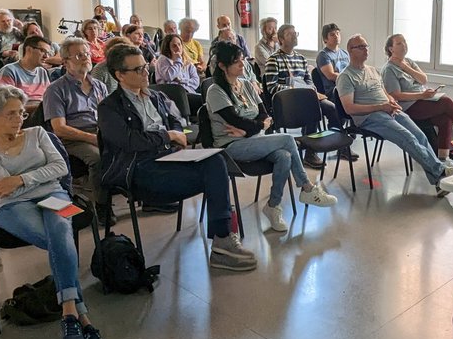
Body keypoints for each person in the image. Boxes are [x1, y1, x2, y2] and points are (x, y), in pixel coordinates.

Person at [0, 84, 109, 339]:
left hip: (55, 195)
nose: (19, 119)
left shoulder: (38, 133)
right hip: (9, 208)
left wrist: (20, 179)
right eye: (10, 114)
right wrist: (35, 176)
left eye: (21, 113)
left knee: (61, 231)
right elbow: (1, 187)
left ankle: (70, 313)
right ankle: (80, 316)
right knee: (61, 240)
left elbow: (61, 168)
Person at [99, 44, 257, 271]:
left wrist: (172, 133)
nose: (146, 72)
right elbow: (130, 142)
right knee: (215, 174)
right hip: (137, 170)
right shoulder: (109, 107)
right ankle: (224, 236)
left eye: (145, 66)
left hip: (168, 159)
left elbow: (177, 123)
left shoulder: (155, 96)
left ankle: (222, 241)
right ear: (119, 75)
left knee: (215, 162)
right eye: (138, 70)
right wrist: (166, 136)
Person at [207, 41, 337, 233]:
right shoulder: (215, 91)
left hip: (255, 140)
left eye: (242, 60)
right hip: (231, 146)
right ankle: (307, 187)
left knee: (284, 156)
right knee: (287, 139)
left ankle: (273, 206)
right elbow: (236, 120)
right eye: (236, 62)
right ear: (222, 66)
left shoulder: (246, 85)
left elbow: (264, 113)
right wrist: (255, 127)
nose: (243, 65)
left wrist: (252, 128)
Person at [336, 34, 453, 192]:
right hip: (369, 117)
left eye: (366, 46)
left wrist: (390, 101)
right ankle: (440, 171)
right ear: (350, 51)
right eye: (361, 47)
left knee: (419, 135)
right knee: (407, 137)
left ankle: (438, 180)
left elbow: (384, 92)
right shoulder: (346, 77)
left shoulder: (373, 70)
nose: (366, 49)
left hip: (387, 109)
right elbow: (350, 109)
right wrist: (381, 106)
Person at [381, 33, 453, 164]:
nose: (404, 45)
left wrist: (405, 66)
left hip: (422, 101)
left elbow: (423, 79)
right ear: (391, 49)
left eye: (404, 42)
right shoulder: (389, 69)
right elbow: (395, 95)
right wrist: (422, 95)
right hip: (407, 107)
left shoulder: (409, 62)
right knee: (446, 102)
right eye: (399, 43)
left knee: (446, 117)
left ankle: (443, 159)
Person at [41, 36, 111, 223]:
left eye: (87, 54)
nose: (86, 58)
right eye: (79, 55)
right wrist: (91, 138)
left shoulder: (99, 86)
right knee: (98, 158)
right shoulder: (56, 90)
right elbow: (59, 129)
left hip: (99, 132)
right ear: (65, 62)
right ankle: (102, 206)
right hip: (72, 139)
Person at [264, 23, 349, 168]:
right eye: (290, 34)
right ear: (281, 39)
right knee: (312, 108)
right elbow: (272, 87)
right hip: (287, 102)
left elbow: (310, 82)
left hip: (305, 97)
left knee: (332, 108)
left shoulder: (301, 59)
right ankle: (310, 151)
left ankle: (338, 142)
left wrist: (310, 90)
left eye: (295, 33)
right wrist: (297, 91)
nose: (294, 36)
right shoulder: (274, 59)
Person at [154, 32, 203, 116]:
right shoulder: (163, 60)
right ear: (168, 48)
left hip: (188, 93)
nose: (178, 48)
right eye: (174, 46)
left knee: (206, 101)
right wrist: (178, 62)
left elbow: (195, 82)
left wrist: (182, 81)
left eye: (179, 45)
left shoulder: (187, 61)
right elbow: (169, 76)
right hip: (171, 95)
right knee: (202, 102)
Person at [0, 34, 53, 103]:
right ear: (28, 49)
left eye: (48, 53)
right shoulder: (9, 71)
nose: (46, 56)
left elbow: (50, 97)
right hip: (22, 112)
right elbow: (6, 103)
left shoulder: (42, 72)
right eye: (42, 51)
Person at [314, 23, 348, 96]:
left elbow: (352, 70)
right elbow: (331, 76)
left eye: (338, 33)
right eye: (332, 34)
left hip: (347, 88)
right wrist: (351, 79)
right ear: (325, 39)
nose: (336, 36)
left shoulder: (345, 53)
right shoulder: (323, 55)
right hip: (334, 92)